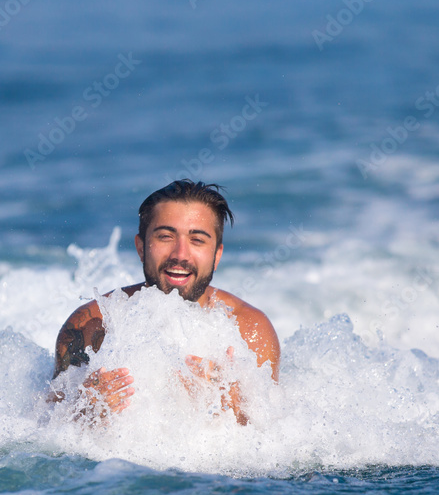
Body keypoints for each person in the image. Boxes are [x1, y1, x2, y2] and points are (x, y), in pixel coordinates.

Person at [51, 180, 280, 425]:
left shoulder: (250, 330)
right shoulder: (91, 324)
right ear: (141, 248)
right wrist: (86, 411)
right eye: (165, 236)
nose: (180, 254)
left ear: (217, 255)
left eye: (197, 240)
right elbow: (46, 433)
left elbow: (272, 441)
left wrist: (235, 407)